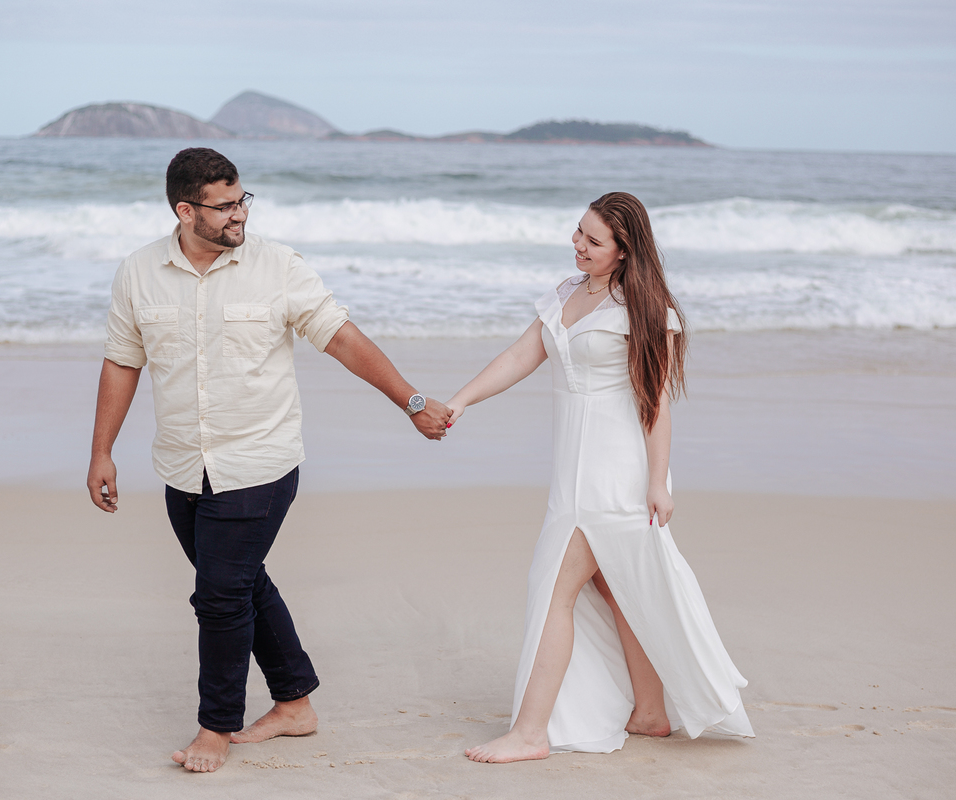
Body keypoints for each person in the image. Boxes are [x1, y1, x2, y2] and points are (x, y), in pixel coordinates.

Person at [86, 148, 451, 774]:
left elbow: (342, 337)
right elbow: (122, 360)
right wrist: (101, 452)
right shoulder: (138, 273)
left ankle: (215, 728)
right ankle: (295, 703)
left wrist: (411, 401)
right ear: (185, 211)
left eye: (243, 200)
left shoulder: (278, 266)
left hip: (260, 462)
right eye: (224, 206)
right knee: (242, 581)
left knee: (219, 595)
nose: (240, 215)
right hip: (183, 466)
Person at [446, 192, 754, 763]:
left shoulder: (646, 309)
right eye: (578, 232)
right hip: (571, 468)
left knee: (553, 587)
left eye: (593, 240)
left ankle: (531, 733)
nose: (578, 245)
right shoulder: (568, 291)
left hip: (614, 474)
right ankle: (651, 713)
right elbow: (520, 355)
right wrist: (461, 401)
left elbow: (655, 403)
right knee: (614, 587)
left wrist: (658, 482)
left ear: (624, 250)